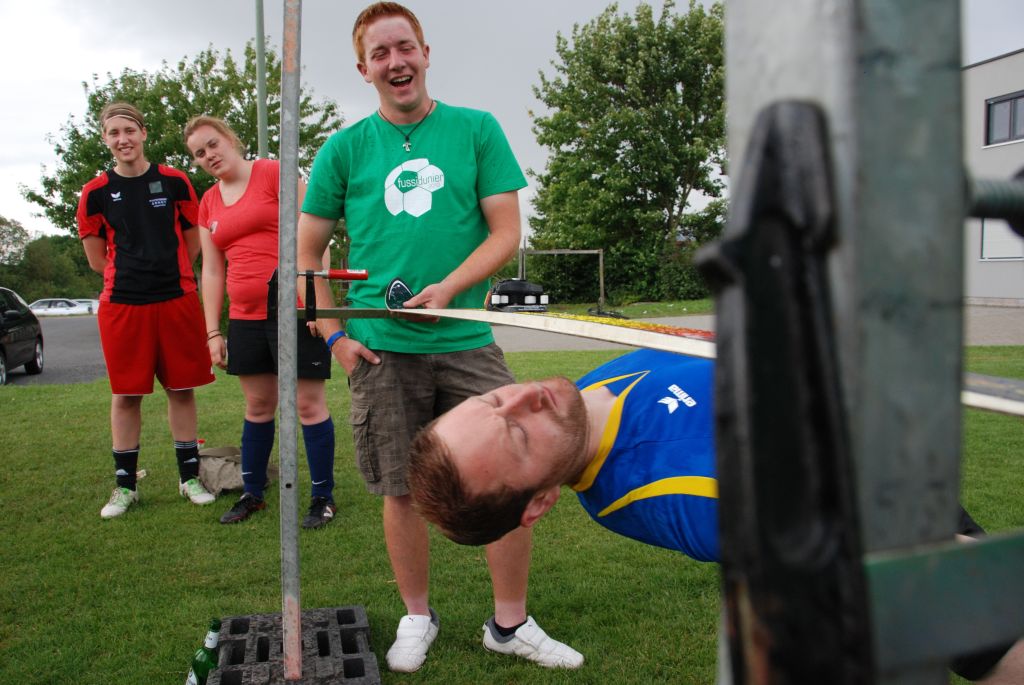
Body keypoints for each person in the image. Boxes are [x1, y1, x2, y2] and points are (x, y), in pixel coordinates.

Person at [408, 348, 1024, 684]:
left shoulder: (584, 399)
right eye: (518, 434)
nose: (525, 395)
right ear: (541, 501)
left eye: (493, 399)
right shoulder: (689, 494)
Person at [295, 2, 582, 673]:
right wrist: (335, 339)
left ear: (425, 53)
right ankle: (417, 617)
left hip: (466, 340)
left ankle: (509, 623)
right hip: (380, 351)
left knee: (513, 478)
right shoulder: (343, 149)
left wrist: (450, 288)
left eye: (405, 47)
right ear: (363, 70)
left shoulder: (477, 129)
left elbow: (506, 233)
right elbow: (307, 255)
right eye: (380, 54)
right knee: (400, 488)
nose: (395, 62)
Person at [184, 116, 338, 529]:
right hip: (245, 317)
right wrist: (213, 331)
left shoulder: (273, 173)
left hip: (295, 310)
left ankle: (322, 497)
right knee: (257, 405)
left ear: (229, 138)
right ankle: (252, 493)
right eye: (199, 153)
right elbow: (212, 270)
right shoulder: (208, 203)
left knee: (308, 404)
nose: (208, 155)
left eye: (212, 144)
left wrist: (314, 305)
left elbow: (316, 236)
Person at [78, 102, 216, 519]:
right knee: (126, 395)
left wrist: (168, 273)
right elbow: (96, 259)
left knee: (181, 389)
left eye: (129, 130)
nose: (123, 139)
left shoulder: (174, 181)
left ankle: (189, 478)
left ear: (143, 133)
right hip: (123, 305)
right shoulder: (95, 192)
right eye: (114, 132)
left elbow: (193, 243)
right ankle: (125, 487)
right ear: (105, 139)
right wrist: (133, 275)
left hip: (176, 299)